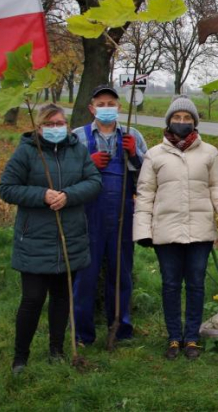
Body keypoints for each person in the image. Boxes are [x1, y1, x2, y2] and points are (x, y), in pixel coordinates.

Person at [133, 96, 218, 360]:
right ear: (169, 121)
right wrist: (143, 231)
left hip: (199, 230)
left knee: (195, 284)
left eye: (187, 118)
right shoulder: (154, 155)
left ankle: (192, 337)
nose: (182, 122)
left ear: (194, 122)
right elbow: (145, 194)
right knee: (170, 284)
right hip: (166, 231)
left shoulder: (209, 153)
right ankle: (174, 337)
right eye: (177, 117)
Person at [0, 104, 102, 374]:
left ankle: (57, 350)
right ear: (39, 127)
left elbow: (94, 182)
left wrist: (68, 195)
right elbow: (7, 188)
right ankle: (21, 357)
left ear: (67, 125)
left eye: (60, 123)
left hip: (70, 237)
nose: (56, 128)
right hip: (35, 238)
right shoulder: (26, 152)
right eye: (50, 124)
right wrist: (41, 195)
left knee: (62, 297)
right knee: (32, 299)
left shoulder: (78, 150)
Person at [72, 84, 148, 346]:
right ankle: (82, 334)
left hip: (122, 215)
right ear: (91, 108)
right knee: (85, 275)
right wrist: (87, 164)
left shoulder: (132, 135)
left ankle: (120, 329)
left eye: (111, 104)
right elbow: (65, 176)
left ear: (119, 107)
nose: (106, 108)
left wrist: (134, 155)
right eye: (101, 104)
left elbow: (149, 177)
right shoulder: (77, 137)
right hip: (87, 216)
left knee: (121, 274)